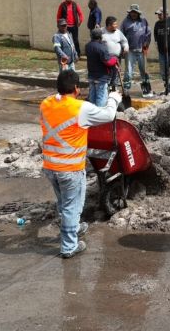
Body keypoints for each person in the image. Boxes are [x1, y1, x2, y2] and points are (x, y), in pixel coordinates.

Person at [40, 68, 121, 259]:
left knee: (64, 203)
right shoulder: (80, 108)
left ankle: (74, 227)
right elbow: (108, 116)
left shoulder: (46, 104)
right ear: (76, 88)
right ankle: (69, 246)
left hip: (50, 167)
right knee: (71, 207)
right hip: (69, 169)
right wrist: (114, 98)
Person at [120, 4, 152, 97]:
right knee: (128, 71)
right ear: (130, 13)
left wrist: (146, 43)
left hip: (142, 50)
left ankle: (146, 89)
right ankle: (126, 90)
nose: (133, 14)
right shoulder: (125, 22)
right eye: (132, 12)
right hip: (130, 51)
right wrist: (124, 47)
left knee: (144, 70)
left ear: (138, 13)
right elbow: (121, 36)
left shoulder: (143, 21)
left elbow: (148, 33)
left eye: (135, 12)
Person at [85, 28, 117, 107]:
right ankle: (99, 115)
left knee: (92, 97)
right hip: (101, 77)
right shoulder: (101, 47)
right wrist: (115, 59)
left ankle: (91, 114)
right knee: (101, 98)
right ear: (100, 36)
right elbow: (108, 62)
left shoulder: (88, 46)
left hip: (91, 75)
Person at [101, 16, 128, 88]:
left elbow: (124, 41)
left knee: (116, 72)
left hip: (116, 57)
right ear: (109, 25)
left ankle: (114, 87)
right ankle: (107, 87)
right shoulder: (101, 31)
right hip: (105, 57)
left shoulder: (118, 32)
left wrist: (125, 47)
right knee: (107, 73)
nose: (116, 26)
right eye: (114, 24)